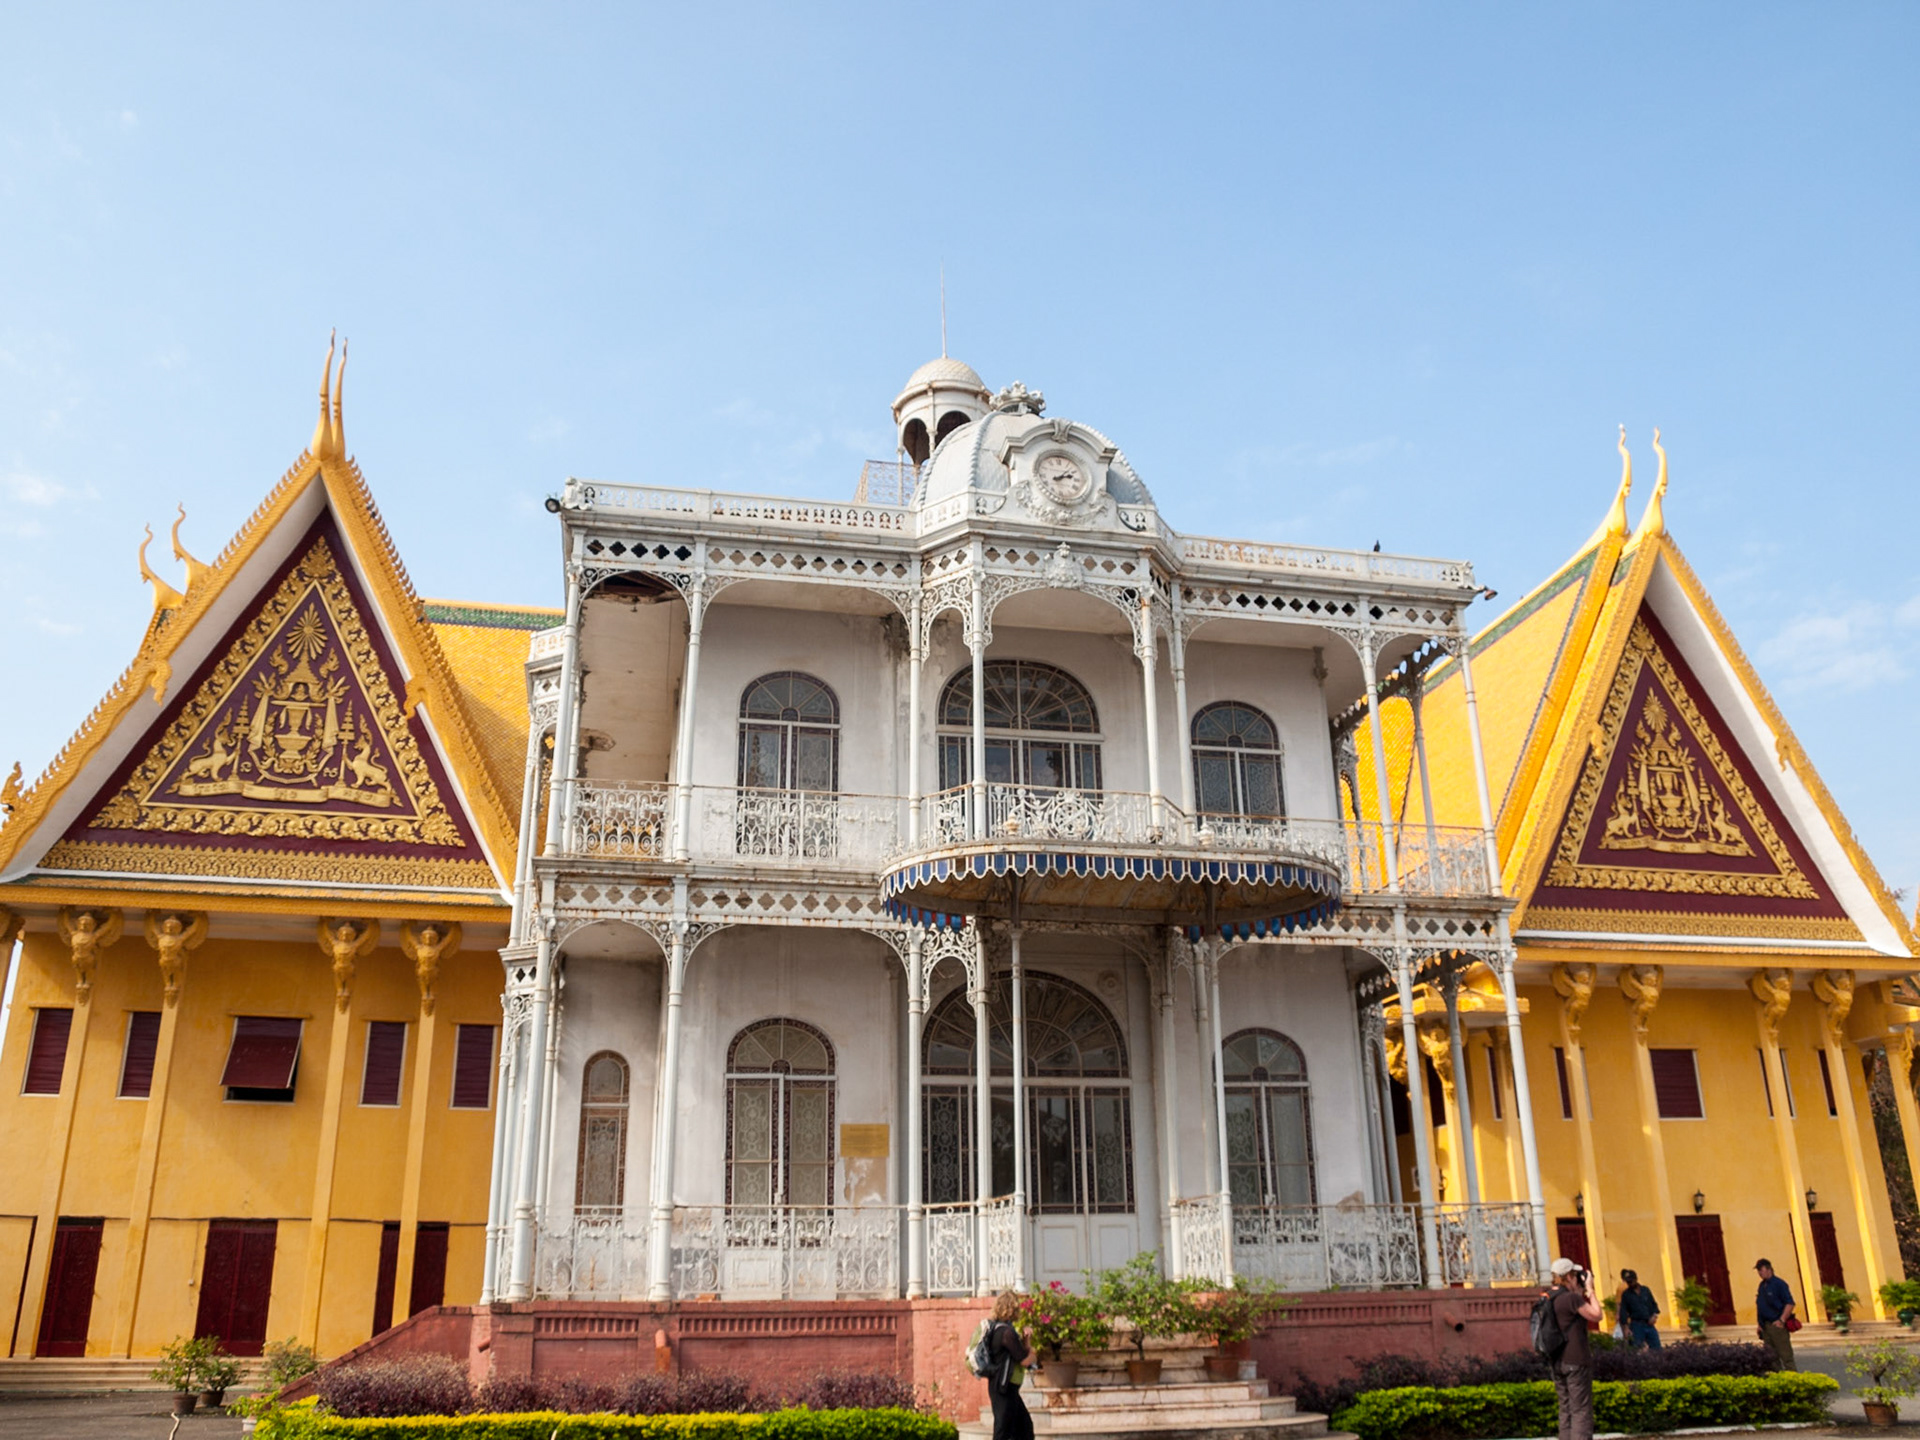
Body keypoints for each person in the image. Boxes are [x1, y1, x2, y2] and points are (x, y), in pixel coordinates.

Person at [1549, 1256, 1601, 1440]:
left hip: (1556, 1360)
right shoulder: (1570, 1298)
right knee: (1580, 1410)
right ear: (1569, 1276)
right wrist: (1590, 1290)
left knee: (1565, 1409)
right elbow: (1596, 1315)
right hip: (1576, 1360)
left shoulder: (1549, 1297)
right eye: (1574, 1275)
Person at [983, 1290, 1034, 1440]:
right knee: (1003, 1431)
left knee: (1024, 1428)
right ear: (1011, 1308)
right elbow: (1024, 1360)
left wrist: (1026, 1340)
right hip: (1003, 1387)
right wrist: (1033, 1354)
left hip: (1004, 1386)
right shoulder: (1006, 1333)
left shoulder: (1001, 1329)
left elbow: (1019, 1354)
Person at [1754, 1259, 1797, 1370]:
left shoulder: (1779, 1284)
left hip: (1777, 1325)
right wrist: (1760, 1324)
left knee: (1786, 1356)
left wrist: (1782, 1320)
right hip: (1765, 1327)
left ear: (1769, 1269)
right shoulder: (1762, 1285)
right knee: (1771, 1358)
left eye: (1761, 1270)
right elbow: (1760, 1305)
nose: (1759, 1273)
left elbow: (1790, 1303)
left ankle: (1793, 1380)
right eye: (1758, 1270)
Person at [1617, 1269, 1662, 1350]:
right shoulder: (1626, 1294)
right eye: (1628, 1282)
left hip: (1649, 1324)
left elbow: (1654, 1305)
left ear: (1636, 1279)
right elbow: (1623, 1311)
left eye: (1631, 1281)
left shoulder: (1645, 1290)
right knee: (1636, 1348)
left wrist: (1654, 1316)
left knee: (1656, 1348)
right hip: (1636, 1325)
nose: (1629, 1284)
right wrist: (1625, 1327)